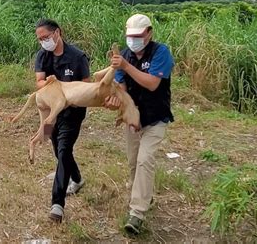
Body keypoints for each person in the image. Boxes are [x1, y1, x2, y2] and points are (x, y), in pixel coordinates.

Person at [105, 14, 174, 235]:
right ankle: (144, 197)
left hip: (156, 118)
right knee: (134, 163)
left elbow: (153, 84)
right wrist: (114, 101)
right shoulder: (124, 56)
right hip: (133, 119)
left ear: (149, 33)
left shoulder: (160, 53)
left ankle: (137, 212)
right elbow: (122, 90)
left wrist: (125, 66)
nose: (133, 40)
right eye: (130, 36)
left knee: (145, 160)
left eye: (138, 36)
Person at [34, 18, 90, 222]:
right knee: (58, 149)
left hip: (73, 112)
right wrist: (47, 84)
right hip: (51, 112)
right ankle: (77, 179)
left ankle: (57, 204)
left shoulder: (77, 57)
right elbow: (39, 82)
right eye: (40, 39)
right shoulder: (42, 55)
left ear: (57, 33)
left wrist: (68, 96)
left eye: (46, 37)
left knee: (64, 149)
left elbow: (86, 86)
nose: (43, 42)